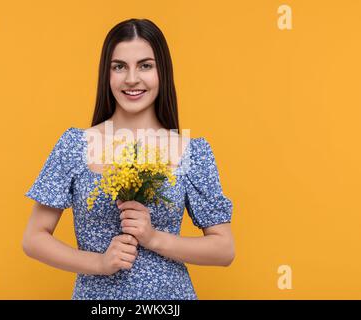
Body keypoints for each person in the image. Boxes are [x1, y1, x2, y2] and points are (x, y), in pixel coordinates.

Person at [22, 18, 235, 300]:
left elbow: (224, 250)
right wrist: (99, 263)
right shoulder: (75, 145)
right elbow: (34, 239)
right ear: (106, 74)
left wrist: (154, 238)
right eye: (119, 66)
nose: (131, 78)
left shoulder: (192, 152)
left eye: (145, 65)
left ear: (162, 72)